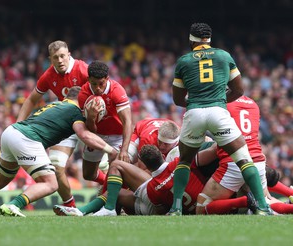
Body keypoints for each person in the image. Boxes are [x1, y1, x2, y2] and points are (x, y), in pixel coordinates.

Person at [0, 87, 119, 217]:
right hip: (27, 139)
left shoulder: (58, 105)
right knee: (51, 183)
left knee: (0, 179)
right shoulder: (74, 110)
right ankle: (13, 205)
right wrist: (110, 150)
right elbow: (84, 135)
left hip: (11, 132)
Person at [169, 22, 272, 215]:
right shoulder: (224, 56)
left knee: (184, 161)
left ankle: (175, 209)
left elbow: (176, 99)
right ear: (209, 40)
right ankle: (263, 206)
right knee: (244, 159)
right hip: (218, 111)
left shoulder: (184, 61)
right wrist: (220, 102)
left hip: (194, 113)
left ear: (191, 41)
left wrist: (194, 104)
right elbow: (239, 90)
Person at [17, 40, 89, 208]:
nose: (60, 60)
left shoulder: (83, 70)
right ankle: (70, 207)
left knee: (96, 169)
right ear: (50, 59)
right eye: (55, 57)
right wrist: (19, 124)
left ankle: (115, 197)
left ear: (69, 55)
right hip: (68, 123)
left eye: (63, 56)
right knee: (56, 166)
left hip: (91, 122)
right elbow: (32, 99)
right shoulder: (49, 75)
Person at [53, 144, 218, 216]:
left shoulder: (154, 186)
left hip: (152, 200)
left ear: (144, 165)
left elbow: (160, 206)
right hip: (190, 206)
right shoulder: (178, 165)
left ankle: (98, 210)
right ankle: (82, 212)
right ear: (162, 156)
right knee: (116, 192)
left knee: (116, 168)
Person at [197, 96, 293, 215]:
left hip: (233, 162)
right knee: (265, 201)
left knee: (202, 206)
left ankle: (246, 201)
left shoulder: (220, 104)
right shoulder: (252, 104)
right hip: (257, 159)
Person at [78, 61, 132, 185]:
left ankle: (109, 193)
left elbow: (127, 122)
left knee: (117, 173)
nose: (97, 88)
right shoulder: (84, 94)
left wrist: (124, 150)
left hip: (118, 136)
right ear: (88, 79)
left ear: (107, 78)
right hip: (97, 136)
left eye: (101, 84)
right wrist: (91, 118)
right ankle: (106, 185)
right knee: (88, 175)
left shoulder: (117, 90)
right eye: (94, 84)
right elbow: (91, 130)